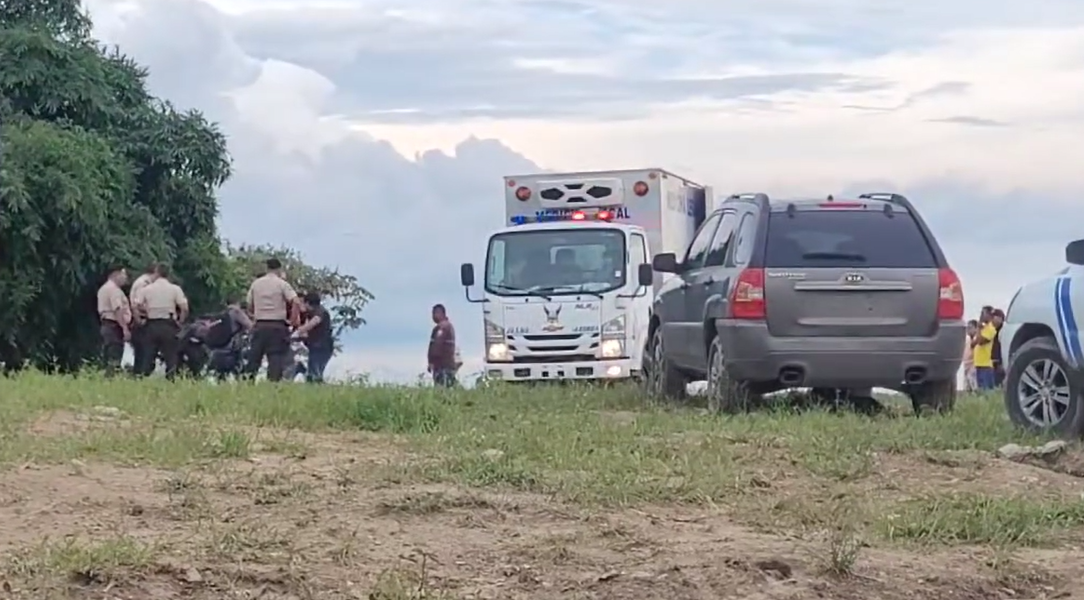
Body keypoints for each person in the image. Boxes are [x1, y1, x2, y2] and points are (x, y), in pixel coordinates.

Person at [243, 258, 300, 382]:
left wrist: (254, 314)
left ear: (267, 268)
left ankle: (248, 382)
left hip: (260, 324)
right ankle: (273, 384)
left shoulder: (256, 284)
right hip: (277, 325)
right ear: (279, 269)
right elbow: (296, 301)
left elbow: (249, 304)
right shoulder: (282, 284)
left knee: (254, 357)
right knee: (275, 357)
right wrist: (293, 320)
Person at [132, 265, 188, 378]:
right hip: (168, 324)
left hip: (151, 324)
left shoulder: (147, 289)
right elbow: (185, 308)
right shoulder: (175, 289)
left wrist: (138, 319)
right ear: (169, 274)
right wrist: (180, 321)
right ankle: (171, 378)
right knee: (171, 356)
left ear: (157, 272)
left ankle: (143, 378)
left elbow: (135, 305)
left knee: (147, 355)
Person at [96, 265, 131, 376]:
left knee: (107, 355)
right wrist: (125, 328)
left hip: (106, 325)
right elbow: (117, 309)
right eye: (123, 274)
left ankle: (106, 377)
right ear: (116, 274)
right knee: (115, 355)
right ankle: (111, 378)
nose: (125, 278)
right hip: (114, 326)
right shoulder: (114, 290)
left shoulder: (103, 289)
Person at [293, 291, 333, 383]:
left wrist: (299, 332)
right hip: (317, 345)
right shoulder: (311, 313)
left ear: (307, 303)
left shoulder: (320, 311)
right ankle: (303, 371)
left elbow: (314, 322)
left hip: (322, 346)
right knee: (315, 370)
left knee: (315, 371)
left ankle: (302, 370)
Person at [128, 263, 159, 373]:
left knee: (143, 352)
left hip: (141, 319)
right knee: (144, 352)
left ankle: (140, 374)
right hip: (141, 320)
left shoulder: (145, 282)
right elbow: (138, 304)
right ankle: (140, 374)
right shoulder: (144, 284)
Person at [427, 303, 458, 387]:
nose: (433, 316)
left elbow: (437, 345)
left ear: (441, 313)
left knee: (442, 387)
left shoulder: (443, 327)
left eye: (435, 313)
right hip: (447, 365)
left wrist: (432, 361)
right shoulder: (448, 326)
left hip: (442, 365)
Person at [972, 315, 998, 391]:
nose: (981, 316)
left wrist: (979, 329)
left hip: (986, 365)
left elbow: (980, 342)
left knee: (986, 390)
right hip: (978, 363)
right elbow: (973, 344)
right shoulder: (983, 328)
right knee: (980, 390)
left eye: (984, 313)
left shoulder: (991, 329)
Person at [991, 309, 1006, 386]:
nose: (992, 320)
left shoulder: (1003, 331)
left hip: (1000, 362)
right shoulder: (993, 330)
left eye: (994, 317)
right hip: (993, 362)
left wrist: (1001, 361)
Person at [963, 319, 978, 392]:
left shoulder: (977, 339)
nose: (968, 330)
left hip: (974, 364)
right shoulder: (966, 339)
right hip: (966, 364)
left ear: (976, 328)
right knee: (967, 385)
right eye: (967, 328)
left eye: (970, 328)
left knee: (973, 384)